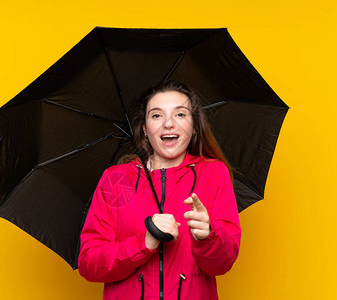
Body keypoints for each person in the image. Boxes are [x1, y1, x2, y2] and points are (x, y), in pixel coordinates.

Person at [78, 80, 241, 300]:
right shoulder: (118, 179)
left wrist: (207, 236)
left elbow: (222, 265)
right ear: (145, 129)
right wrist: (144, 243)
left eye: (180, 114)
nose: (168, 124)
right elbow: (90, 263)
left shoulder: (213, 173)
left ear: (194, 127)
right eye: (156, 115)